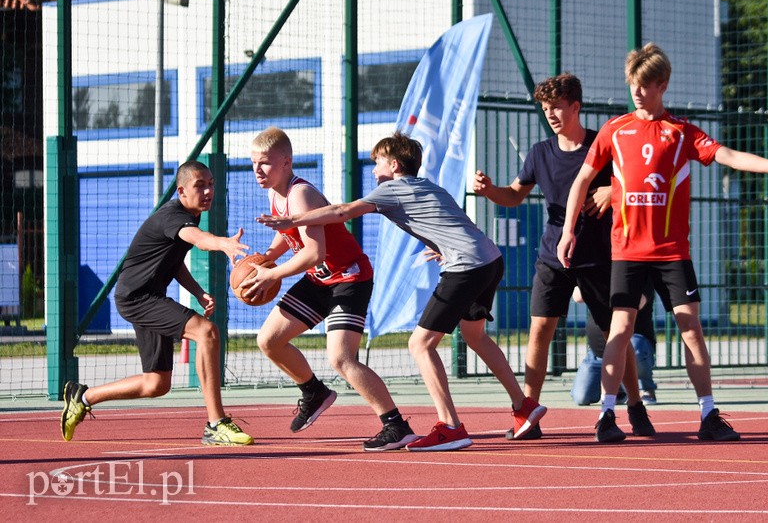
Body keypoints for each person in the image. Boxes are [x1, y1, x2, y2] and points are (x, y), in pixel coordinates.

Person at [557, 43, 768, 443]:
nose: (637, 92)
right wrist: (568, 230)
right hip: (627, 251)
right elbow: (581, 182)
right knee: (619, 330)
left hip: (672, 252)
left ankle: (709, 415)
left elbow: (727, 155)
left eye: (644, 85)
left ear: (662, 85)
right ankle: (607, 417)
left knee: (690, 328)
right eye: (632, 85)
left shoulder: (680, 132)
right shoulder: (614, 130)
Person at [257, 131, 547, 451]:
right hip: (489, 260)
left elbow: (341, 212)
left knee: (420, 345)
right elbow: (447, 220)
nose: (372, 169)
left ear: (394, 164)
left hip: (464, 267)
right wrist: (442, 246)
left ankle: (451, 426)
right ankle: (524, 406)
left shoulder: (391, 190)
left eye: (377, 162)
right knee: (475, 335)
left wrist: (292, 220)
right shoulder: (427, 186)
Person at [473, 73, 654, 439]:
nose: (550, 113)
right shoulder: (540, 153)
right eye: (545, 107)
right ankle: (527, 413)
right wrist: (491, 190)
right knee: (539, 328)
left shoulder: (601, 146)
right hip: (553, 257)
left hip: (600, 258)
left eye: (556, 106)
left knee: (612, 334)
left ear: (576, 106)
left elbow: (637, 180)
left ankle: (635, 405)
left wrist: (611, 191)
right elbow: (514, 194)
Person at [242, 126, 418, 451]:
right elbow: (288, 233)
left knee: (341, 359)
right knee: (269, 340)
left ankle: (396, 425)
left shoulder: (300, 194)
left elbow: (314, 252)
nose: (257, 170)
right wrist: (269, 255)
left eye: (264, 163)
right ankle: (314, 392)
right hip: (321, 279)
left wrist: (273, 274)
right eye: (254, 163)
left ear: (286, 161)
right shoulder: (276, 194)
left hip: (349, 277)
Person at [60, 160, 254, 445]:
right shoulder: (174, 217)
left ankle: (82, 396)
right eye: (200, 185)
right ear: (182, 191)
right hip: (138, 298)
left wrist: (198, 291)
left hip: (147, 297)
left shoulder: (190, 215)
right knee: (207, 332)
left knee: (157, 384)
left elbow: (173, 263)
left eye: (211, 184)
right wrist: (223, 243)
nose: (208, 190)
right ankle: (216, 423)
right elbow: (198, 240)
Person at [572, 286, 658, 406]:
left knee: (635, 349)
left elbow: (638, 302)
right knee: (581, 397)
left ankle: (646, 389)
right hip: (599, 351)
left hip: (633, 341)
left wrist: (607, 287)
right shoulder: (595, 276)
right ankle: (619, 391)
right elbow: (577, 296)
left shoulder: (638, 274)